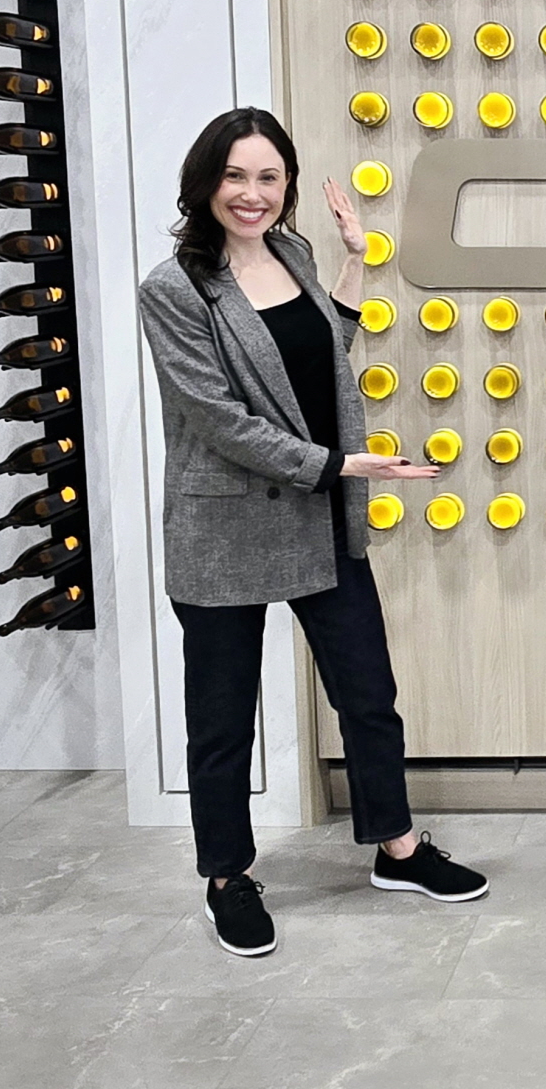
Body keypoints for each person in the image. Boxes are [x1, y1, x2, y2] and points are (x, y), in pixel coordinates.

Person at [138, 107, 487, 957]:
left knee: (367, 694)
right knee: (222, 717)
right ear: (204, 182)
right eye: (235, 176)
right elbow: (220, 419)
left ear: (287, 184)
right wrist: (341, 465)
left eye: (268, 177)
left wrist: (357, 263)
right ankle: (227, 877)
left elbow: (324, 352)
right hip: (225, 528)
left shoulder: (291, 253)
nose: (251, 194)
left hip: (317, 514)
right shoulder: (174, 290)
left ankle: (397, 848)